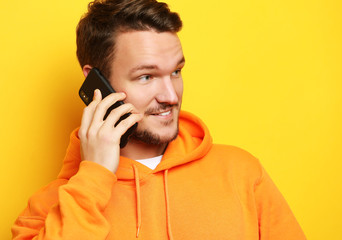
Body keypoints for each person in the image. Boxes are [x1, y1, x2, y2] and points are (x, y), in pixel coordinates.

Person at [12, 0, 306, 239]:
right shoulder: (49, 209)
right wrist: (93, 180)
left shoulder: (241, 173)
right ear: (97, 82)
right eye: (147, 76)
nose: (170, 95)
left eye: (176, 72)